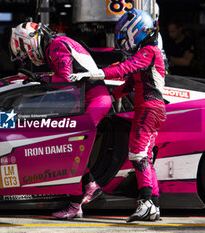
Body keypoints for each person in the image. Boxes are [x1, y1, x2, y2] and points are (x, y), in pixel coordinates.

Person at [69, 9, 166, 222]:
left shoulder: (149, 51)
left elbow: (125, 69)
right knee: (144, 157)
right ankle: (154, 205)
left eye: (124, 35)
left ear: (135, 32)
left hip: (149, 108)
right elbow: (131, 82)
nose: (122, 41)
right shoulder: (148, 52)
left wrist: (96, 73)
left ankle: (147, 203)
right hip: (149, 108)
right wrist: (109, 97)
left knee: (138, 155)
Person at [10, 22, 112, 219]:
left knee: (70, 152)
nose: (28, 54)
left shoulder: (56, 46)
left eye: (25, 49)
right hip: (91, 98)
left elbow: (66, 80)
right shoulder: (58, 43)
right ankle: (89, 187)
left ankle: (78, 202)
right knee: (71, 150)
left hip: (93, 100)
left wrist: (42, 80)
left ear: (31, 42)